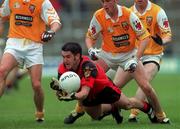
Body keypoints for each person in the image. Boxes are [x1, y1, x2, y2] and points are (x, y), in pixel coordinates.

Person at [64, 0, 169, 124]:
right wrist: (91, 49)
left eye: (108, 1)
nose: (105, 5)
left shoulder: (128, 14)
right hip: (106, 55)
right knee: (86, 80)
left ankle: (160, 115)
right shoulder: (99, 15)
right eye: (103, 1)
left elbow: (145, 37)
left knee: (146, 87)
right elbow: (90, 37)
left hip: (128, 56)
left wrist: (135, 59)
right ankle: (79, 109)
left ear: (115, 1)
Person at [50, 42, 155, 124]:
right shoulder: (62, 68)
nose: (65, 60)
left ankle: (147, 107)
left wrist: (72, 96)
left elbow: (84, 93)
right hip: (87, 94)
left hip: (104, 88)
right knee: (96, 116)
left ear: (77, 56)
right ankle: (113, 108)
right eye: (63, 57)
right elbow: (65, 90)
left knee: (127, 104)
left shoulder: (87, 66)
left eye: (68, 57)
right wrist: (60, 91)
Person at [0, 0, 61, 122]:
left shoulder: (43, 2)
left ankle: (39, 111)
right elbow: (2, 16)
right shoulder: (10, 1)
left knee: (36, 85)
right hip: (14, 43)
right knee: (1, 71)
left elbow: (55, 22)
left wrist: (51, 32)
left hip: (34, 47)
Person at [127, 0, 172, 122]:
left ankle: (134, 113)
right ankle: (82, 109)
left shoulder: (158, 11)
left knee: (144, 81)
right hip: (134, 55)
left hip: (153, 55)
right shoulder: (129, 12)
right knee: (115, 85)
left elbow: (167, 34)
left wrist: (162, 41)